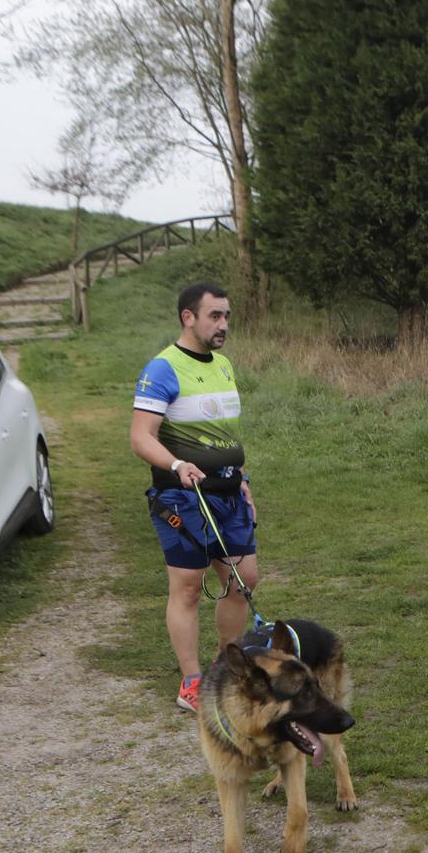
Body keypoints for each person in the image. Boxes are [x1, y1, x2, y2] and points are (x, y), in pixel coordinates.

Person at [130, 282, 256, 713]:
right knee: (186, 589)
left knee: (244, 580)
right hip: (183, 498)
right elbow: (140, 437)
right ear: (189, 317)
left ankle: (227, 668)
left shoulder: (222, 365)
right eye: (214, 316)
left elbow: (226, 435)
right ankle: (192, 682)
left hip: (229, 494)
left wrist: (242, 478)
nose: (223, 325)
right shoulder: (162, 368)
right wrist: (176, 466)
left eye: (226, 316)